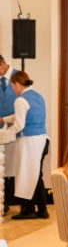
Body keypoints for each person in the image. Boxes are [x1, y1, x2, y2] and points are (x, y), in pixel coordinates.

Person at [3, 71, 49, 220]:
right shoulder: (37, 96)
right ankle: (42, 209)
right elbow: (21, 115)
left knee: (25, 175)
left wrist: (5, 133)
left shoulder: (20, 100)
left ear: (17, 84)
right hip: (42, 139)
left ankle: (28, 209)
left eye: (12, 86)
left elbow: (19, 124)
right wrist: (3, 119)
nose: (12, 89)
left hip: (29, 141)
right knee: (36, 175)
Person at [0, 55, 18, 215]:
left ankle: (7, 201)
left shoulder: (18, 77)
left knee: (9, 166)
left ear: (3, 63)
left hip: (14, 130)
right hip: (1, 128)